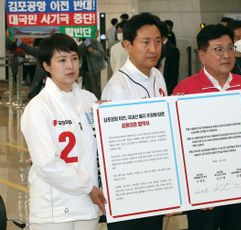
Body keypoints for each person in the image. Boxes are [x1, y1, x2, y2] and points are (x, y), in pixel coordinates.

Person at [173, 24, 241, 230]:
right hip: (202, 191)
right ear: (202, 54)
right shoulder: (185, 90)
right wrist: (194, 188)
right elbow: (178, 143)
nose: (227, 55)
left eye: (230, 48)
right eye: (218, 49)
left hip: (239, 184)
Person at [20, 33, 106, 230]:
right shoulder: (39, 107)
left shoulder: (89, 99)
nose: (70, 66)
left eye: (74, 58)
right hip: (54, 210)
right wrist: (87, 187)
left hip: (88, 206)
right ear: (46, 66)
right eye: (62, 60)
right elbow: (47, 164)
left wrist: (108, 119)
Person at [101, 12, 167, 230]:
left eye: (158, 42)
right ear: (127, 45)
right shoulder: (118, 87)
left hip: (154, 183)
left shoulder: (157, 75)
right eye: (146, 42)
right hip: (129, 190)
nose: (153, 49)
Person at [157, 21, 180, 95]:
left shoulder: (172, 49)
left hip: (166, 88)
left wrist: (170, 92)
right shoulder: (156, 47)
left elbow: (173, 74)